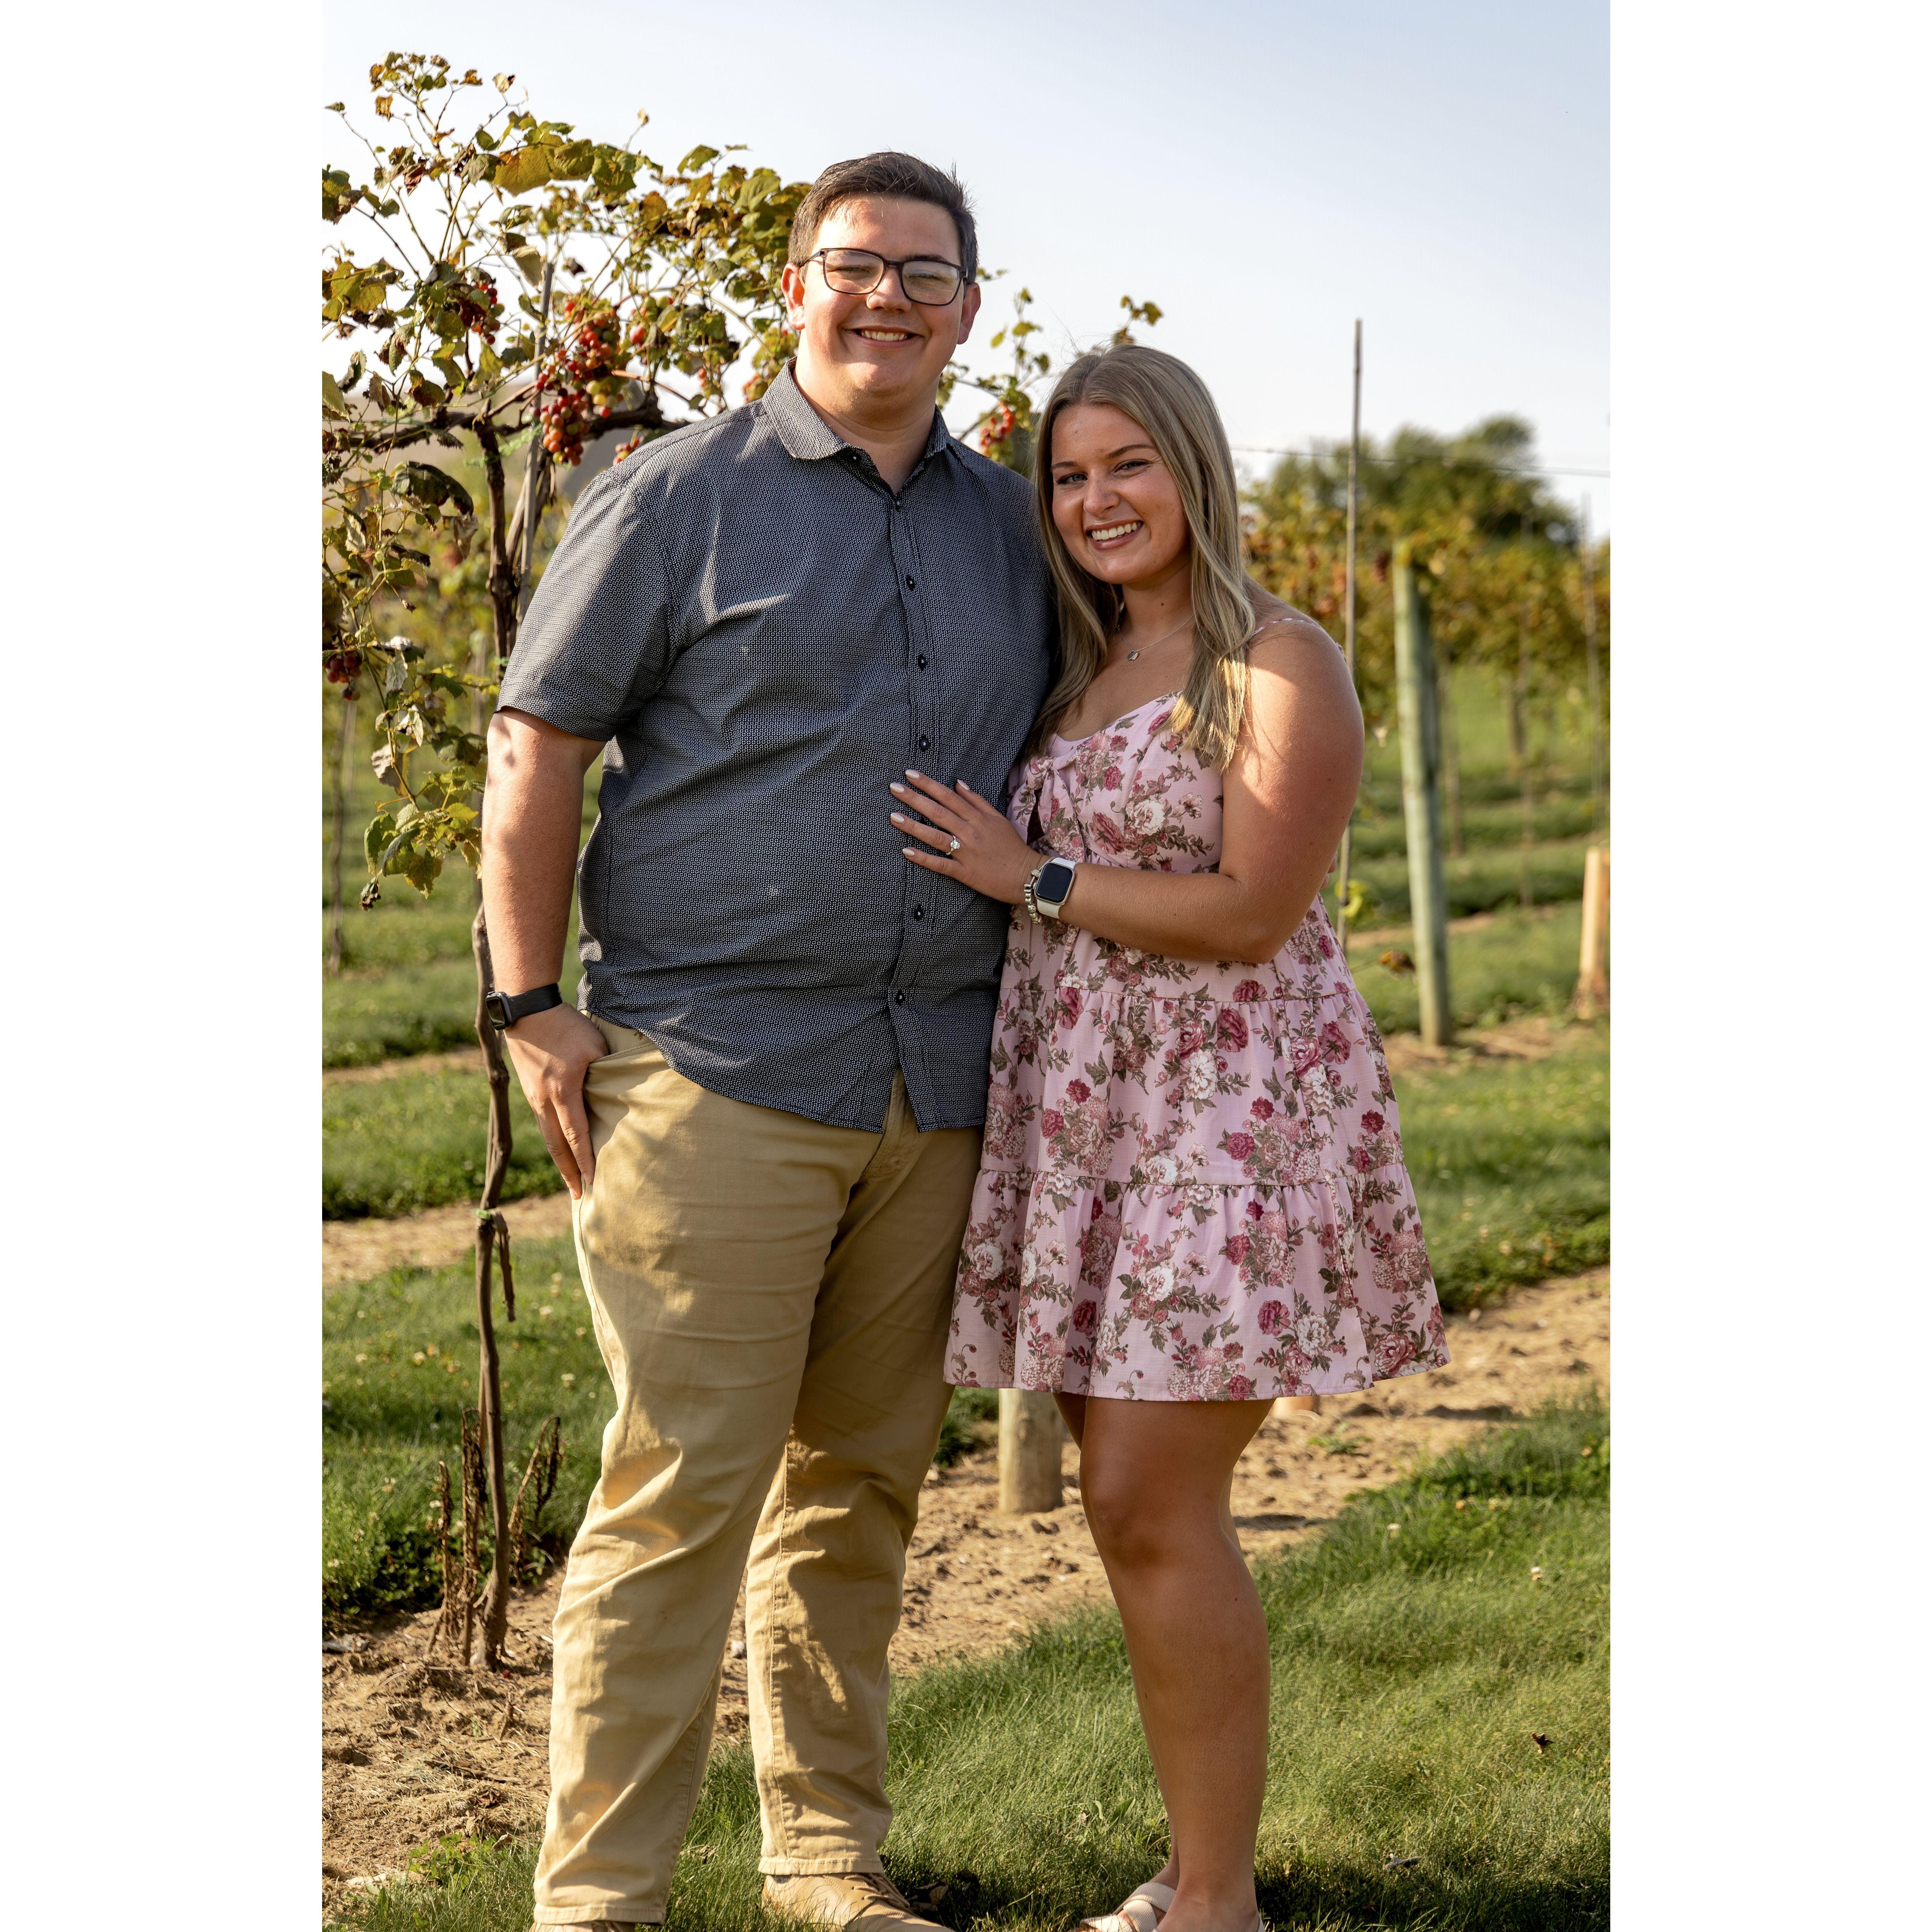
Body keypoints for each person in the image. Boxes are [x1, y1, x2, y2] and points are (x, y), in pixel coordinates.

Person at [481, 152, 1054, 1932]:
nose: (889, 299)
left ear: (970, 309)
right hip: (714, 1067)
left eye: (927, 274)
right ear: (794, 286)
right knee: (681, 1493)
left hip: (936, 1077)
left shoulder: (1012, 526)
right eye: (856, 265)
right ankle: (602, 1904)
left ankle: (824, 1860)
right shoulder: (674, 497)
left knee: (859, 1489)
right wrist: (527, 1002)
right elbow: (539, 744)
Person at [890, 342, 1448, 1932]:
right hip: (1094, 1117)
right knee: (1128, 1503)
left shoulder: (1277, 661)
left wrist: (1034, 877)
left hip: (1226, 1116)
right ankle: (1202, 1869)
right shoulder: (1077, 667)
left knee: (1146, 1496)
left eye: (1128, 464)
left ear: (1194, 467)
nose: (1097, 500)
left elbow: (1257, 910)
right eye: (1069, 476)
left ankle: (1217, 1902)